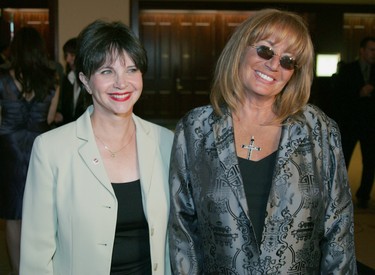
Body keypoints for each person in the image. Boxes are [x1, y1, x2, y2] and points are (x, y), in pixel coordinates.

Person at [169, 9, 357, 274]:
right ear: (240, 49)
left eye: (288, 61)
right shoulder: (196, 128)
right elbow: (183, 232)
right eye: (266, 51)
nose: (274, 65)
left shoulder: (319, 129)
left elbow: (339, 229)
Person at [20, 20, 173, 275]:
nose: (121, 83)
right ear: (86, 81)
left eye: (131, 69)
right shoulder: (51, 149)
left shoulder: (165, 142)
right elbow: (36, 254)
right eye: (106, 71)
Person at [0, 27, 60, 275]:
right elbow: (48, 117)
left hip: (9, 147)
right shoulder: (52, 80)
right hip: (39, 146)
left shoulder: (2, 79)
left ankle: (16, 270)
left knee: (13, 216)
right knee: (40, 210)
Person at [333, 36, 375, 209]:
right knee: (343, 161)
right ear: (362, 50)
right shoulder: (348, 69)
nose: (374, 54)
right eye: (372, 50)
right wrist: (359, 92)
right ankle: (337, 195)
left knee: (370, 162)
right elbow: (339, 96)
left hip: (371, 125)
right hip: (350, 123)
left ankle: (363, 196)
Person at [54, 37, 91, 126]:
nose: (67, 60)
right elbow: (64, 108)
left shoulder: (91, 80)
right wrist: (60, 114)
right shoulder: (67, 79)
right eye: (66, 55)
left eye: (72, 55)